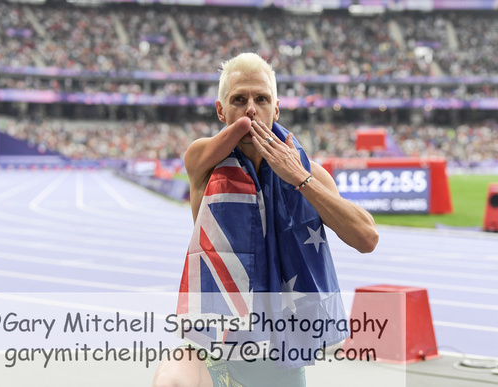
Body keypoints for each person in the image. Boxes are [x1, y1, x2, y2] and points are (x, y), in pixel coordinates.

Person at [152, 52, 378, 387]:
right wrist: (249, 125)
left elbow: (367, 238)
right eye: (238, 99)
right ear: (220, 110)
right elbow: (242, 126)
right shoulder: (203, 161)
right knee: (170, 381)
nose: (251, 109)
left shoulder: (308, 172)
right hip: (216, 344)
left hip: (277, 353)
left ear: (277, 109)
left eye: (262, 99)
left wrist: (299, 177)